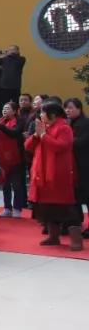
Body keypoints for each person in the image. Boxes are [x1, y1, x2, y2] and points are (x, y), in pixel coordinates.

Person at [26, 102, 82, 249]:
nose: (41, 115)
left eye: (43, 113)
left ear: (53, 114)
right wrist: (36, 136)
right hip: (42, 174)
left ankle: (76, 241)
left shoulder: (64, 128)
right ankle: (53, 237)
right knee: (47, 208)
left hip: (59, 174)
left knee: (66, 208)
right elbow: (27, 147)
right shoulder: (45, 128)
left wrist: (43, 135)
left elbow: (60, 146)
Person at [0, 102, 26, 217]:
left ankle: (17, 208)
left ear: (15, 111)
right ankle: (7, 207)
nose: (5, 111)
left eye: (7, 109)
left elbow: (14, 133)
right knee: (5, 184)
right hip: (2, 157)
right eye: (4, 109)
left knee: (16, 184)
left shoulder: (20, 121)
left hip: (16, 157)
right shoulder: (1, 121)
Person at [65, 98, 89, 238]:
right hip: (72, 165)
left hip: (84, 165)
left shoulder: (85, 123)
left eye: (71, 108)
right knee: (75, 197)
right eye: (66, 108)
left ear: (79, 109)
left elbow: (82, 142)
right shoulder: (68, 123)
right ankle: (76, 224)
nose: (68, 110)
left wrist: (66, 141)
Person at [0, 45, 26, 110]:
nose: (11, 51)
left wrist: (7, 54)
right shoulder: (4, 59)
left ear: (17, 51)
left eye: (13, 49)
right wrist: (3, 55)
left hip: (15, 85)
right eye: (9, 49)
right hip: (4, 85)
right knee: (4, 103)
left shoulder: (21, 59)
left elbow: (16, 59)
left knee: (16, 103)